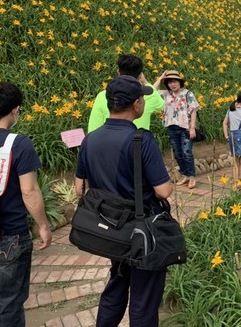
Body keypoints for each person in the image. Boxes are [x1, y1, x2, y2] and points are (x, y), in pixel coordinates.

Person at [75, 75, 172, 326]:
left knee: (117, 282)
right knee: (143, 298)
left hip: (110, 231)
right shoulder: (141, 140)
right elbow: (163, 191)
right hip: (140, 232)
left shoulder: (90, 139)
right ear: (137, 104)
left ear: (108, 103)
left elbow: (79, 188)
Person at [0, 82, 52, 326]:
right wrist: (43, 225)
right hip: (9, 235)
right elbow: (29, 191)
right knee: (9, 300)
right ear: (15, 110)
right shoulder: (18, 143)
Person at [88, 55, 164, 133]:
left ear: (118, 72)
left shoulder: (103, 96)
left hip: (108, 143)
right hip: (139, 143)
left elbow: (93, 130)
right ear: (141, 75)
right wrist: (145, 82)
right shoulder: (149, 96)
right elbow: (162, 104)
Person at [153, 70, 200, 189]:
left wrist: (193, 128)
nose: (172, 84)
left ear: (180, 82)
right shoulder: (166, 94)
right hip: (171, 127)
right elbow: (152, 91)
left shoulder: (187, 94)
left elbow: (194, 110)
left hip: (185, 128)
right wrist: (161, 77)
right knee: (178, 153)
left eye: (174, 81)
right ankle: (185, 175)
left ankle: (192, 177)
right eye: (169, 82)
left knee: (187, 152)